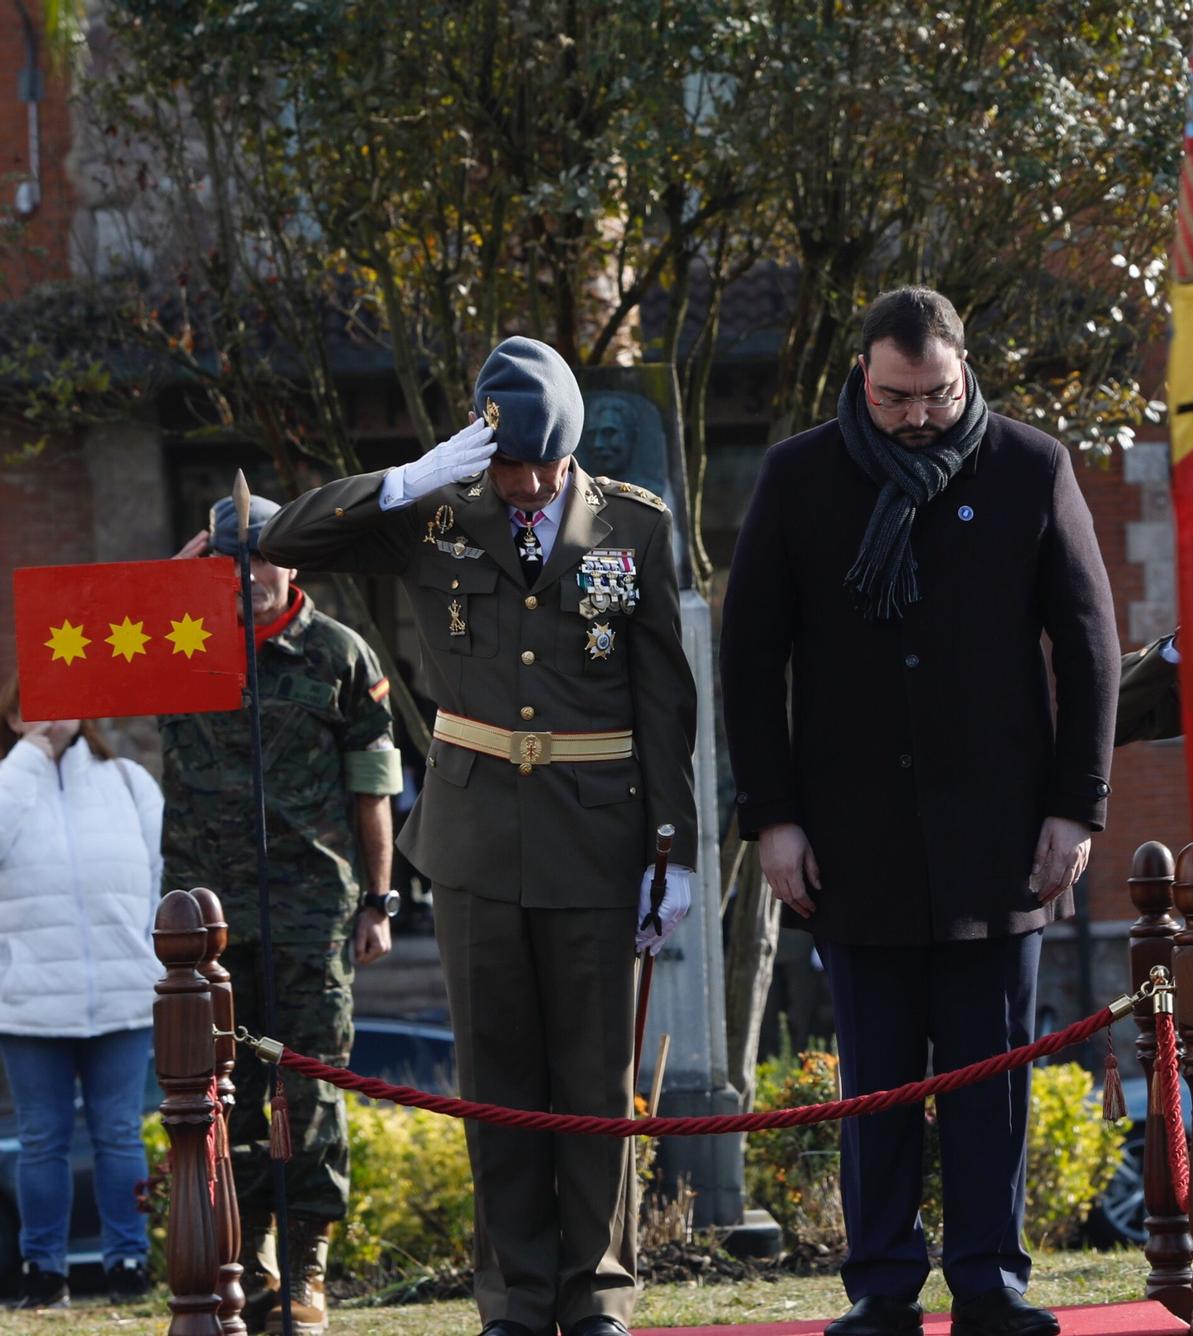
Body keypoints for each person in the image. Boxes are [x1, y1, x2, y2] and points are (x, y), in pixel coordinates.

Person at [260, 335, 698, 1336]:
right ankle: (513, 1298)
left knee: (594, 1080)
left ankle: (594, 1296)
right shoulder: (434, 512)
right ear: (479, 448)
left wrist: (671, 850)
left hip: (595, 834)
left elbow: (664, 697)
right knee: (497, 1079)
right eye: (510, 465)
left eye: (546, 463)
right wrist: (404, 480)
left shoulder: (630, 525)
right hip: (472, 837)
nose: (530, 484)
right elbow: (283, 538)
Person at [721, 287, 1118, 1336]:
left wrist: (1076, 808)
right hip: (851, 839)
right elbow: (751, 660)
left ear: (962, 369)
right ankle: (882, 1284)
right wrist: (773, 816)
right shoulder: (799, 476)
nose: (917, 416)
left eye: (936, 393)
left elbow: (1086, 649)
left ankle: (990, 1277)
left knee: (991, 1074)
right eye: (896, 396)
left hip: (999, 838)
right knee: (879, 1081)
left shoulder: (1030, 466)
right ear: (862, 375)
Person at [161, 493, 404, 1334]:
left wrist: (379, 900)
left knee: (310, 1093)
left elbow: (374, 789)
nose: (250, 576)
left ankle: (306, 1271)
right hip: (207, 921)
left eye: (264, 557)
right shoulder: (177, 646)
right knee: (217, 1098)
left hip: (313, 909)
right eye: (232, 559)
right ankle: (246, 1260)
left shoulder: (336, 654)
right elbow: (94, 664)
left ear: (293, 561)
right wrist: (163, 592)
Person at [0, 678, 161, 1309]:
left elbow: (153, 881)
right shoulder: (11, 781)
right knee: (43, 1138)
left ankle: (129, 1263)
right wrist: (30, 757)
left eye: (57, 701)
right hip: (30, 1001)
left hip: (122, 995)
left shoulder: (128, 782)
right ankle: (44, 1270)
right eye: (30, 707)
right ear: (12, 719)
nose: (47, 716)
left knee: (120, 1133)